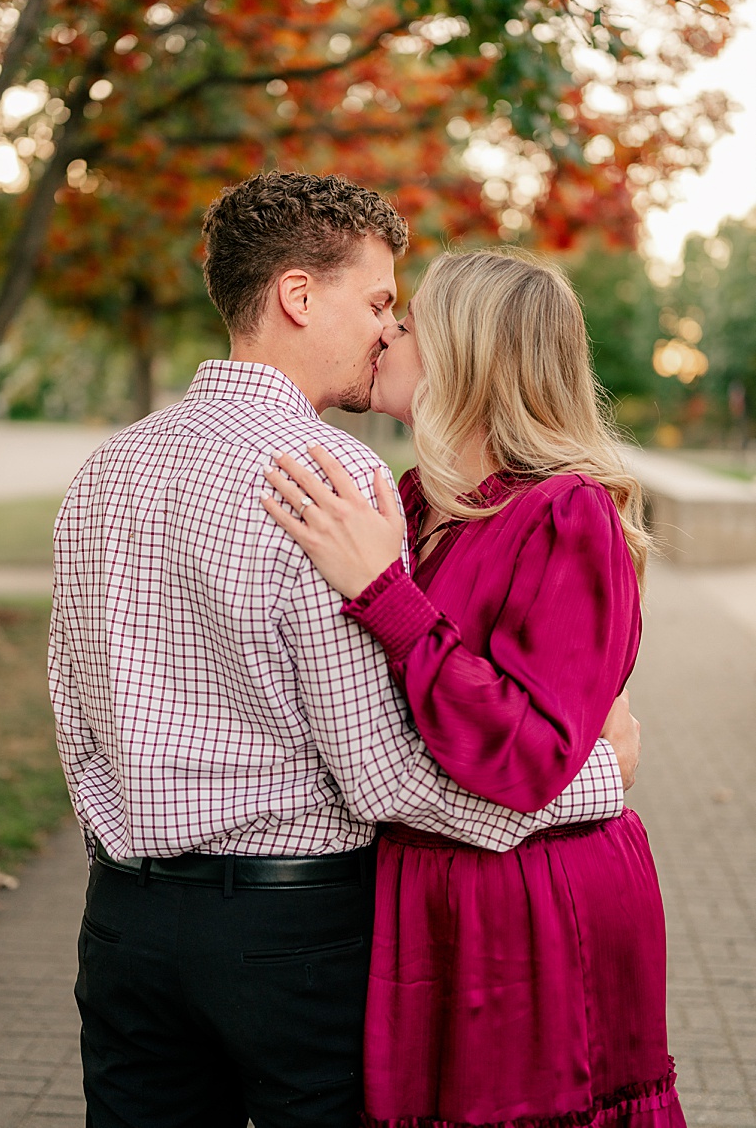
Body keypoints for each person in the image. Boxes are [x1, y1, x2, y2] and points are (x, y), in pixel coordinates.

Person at [49, 174, 639, 1128]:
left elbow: (73, 707)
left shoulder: (108, 467)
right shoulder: (337, 475)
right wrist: (596, 779)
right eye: (376, 303)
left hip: (123, 918)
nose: (383, 328)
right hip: (293, 932)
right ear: (296, 295)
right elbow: (378, 774)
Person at [262, 247, 685, 1128]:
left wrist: (386, 594)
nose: (384, 332)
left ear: (464, 356)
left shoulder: (564, 511)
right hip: (427, 889)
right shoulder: (418, 503)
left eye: (406, 323)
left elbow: (526, 755)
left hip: (530, 896)